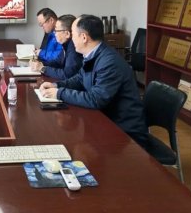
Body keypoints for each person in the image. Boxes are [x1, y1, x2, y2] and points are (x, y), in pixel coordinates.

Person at [39, 15, 148, 148]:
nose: (71, 38)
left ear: (84, 37)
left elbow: (96, 99)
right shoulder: (93, 54)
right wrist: (56, 85)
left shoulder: (109, 62)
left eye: (73, 34)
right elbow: (79, 78)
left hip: (125, 133)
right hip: (106, 120)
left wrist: (59, 93)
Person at [30, 14, 82, 80]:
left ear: (67, 34)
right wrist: (40, 64)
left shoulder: (74, 49)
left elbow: (67, 75)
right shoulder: (66, 44)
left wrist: (43, 68)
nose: (55, 34)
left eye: (57, 31)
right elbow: (57, 62)